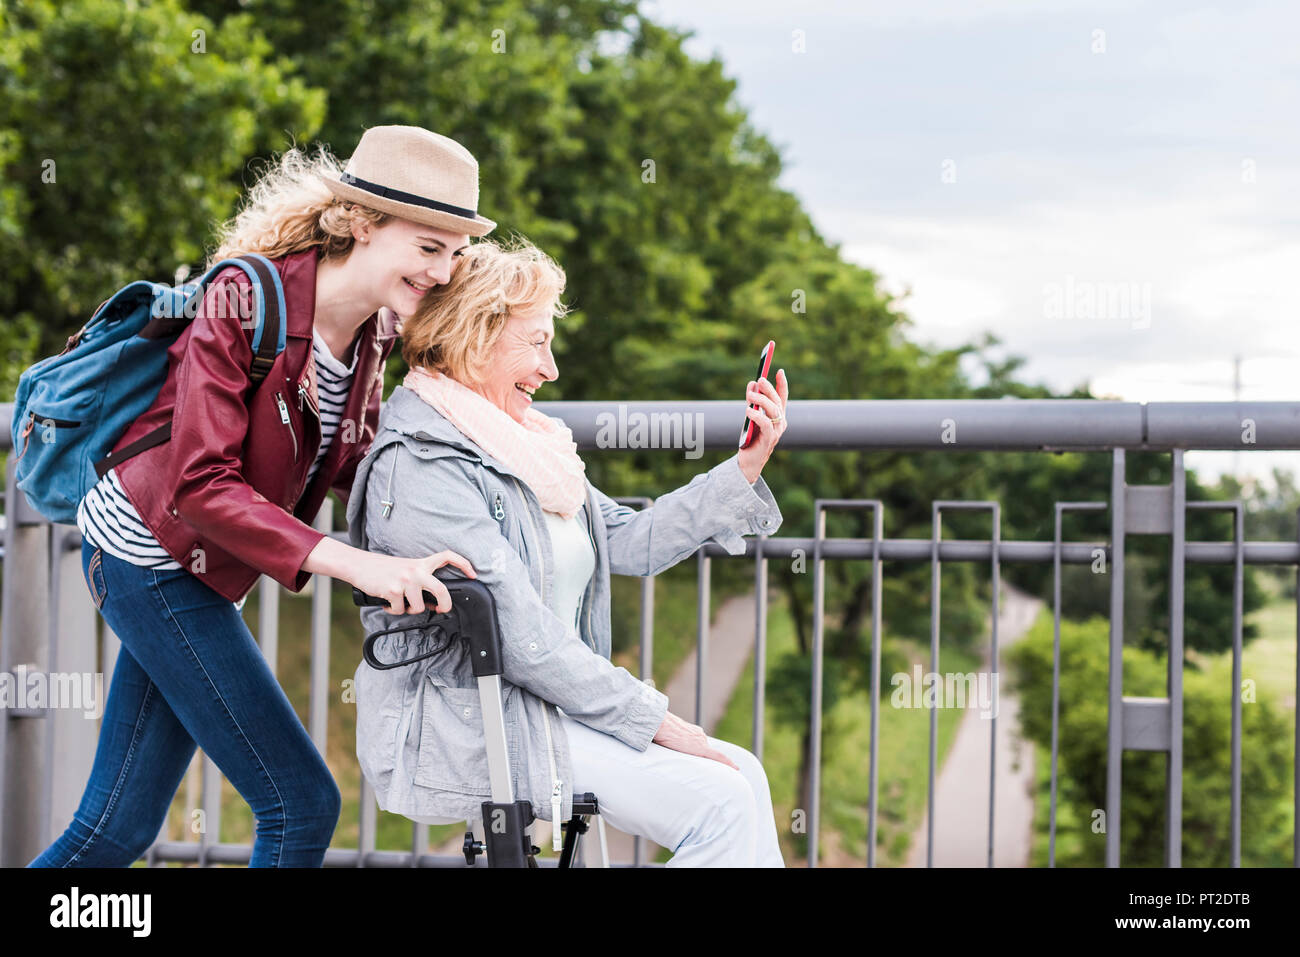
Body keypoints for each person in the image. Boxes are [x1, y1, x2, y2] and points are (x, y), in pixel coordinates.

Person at [29, 125, 489, 868]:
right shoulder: (243, 296)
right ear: (361, 222)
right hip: (149, 556)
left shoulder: (372, 334)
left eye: (453, 252)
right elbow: (201, 483)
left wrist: (467, 516)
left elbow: (356, 467)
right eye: (428, 247)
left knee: (116, 829)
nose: (442, 272)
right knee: (301, 803)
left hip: (203, 573)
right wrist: (355, 564)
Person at [348, 239, 790, 867]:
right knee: (722, 802)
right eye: (536, 343)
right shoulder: (421, 465)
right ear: (475, 337)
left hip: (545, 707)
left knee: (741, 773)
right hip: (477, 724)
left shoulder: (525, 447)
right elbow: (519, 632)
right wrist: (654, 718)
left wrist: (744, 468)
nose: (551, 369)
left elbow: (627, 543)